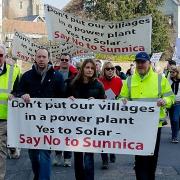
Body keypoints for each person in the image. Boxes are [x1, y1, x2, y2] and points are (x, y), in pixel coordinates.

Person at [119, 52, 174, 180]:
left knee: (151, 159)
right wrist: (122, 101)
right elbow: (121, 98)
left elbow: (170, 97)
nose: (140, 64)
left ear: (149, 63)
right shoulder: (129, 80)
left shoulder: (160, 79)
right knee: (139, 159)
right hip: (136, 126)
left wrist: (164, 101)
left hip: (155, 126)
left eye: (143, 62)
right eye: (138, 62)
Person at [16, 48, 65, 180]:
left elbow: (63, 98)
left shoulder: (57, 76)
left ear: (49, 59)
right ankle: (38, 175)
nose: (41, 59)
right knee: (32, 154)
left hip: (49, 123)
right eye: (39, 57)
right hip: (31, 123)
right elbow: (17, 92)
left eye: (44, 57)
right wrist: (22, 95)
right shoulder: (27, 76)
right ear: (35, 58)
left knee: (44, 153)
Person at [68, 59, 105, 180]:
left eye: (92, 68)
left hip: (91, 126)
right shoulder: (73, 84)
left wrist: (97, 102)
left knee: (89, 156)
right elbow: (64, 101)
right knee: (78, 157)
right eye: (87, 67)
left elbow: (104, 105)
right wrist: (69, 99)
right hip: (76, 125)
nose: (89, 70)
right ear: (82, 68)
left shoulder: (99, 85)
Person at [53, 53, 78, 167]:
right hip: (56, 108)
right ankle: (58, 155)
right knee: (58, 132)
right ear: (59, 60)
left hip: (70, 109)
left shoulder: (75, 75)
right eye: (62, 59)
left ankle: (67, 157)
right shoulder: (53, 73)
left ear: (70, 61)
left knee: (68, 132)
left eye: (66, 60)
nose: (64, 61)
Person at [0, 44, 21, 179]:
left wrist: (16, 95)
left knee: (0, 150)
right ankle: (13, 146)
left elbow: (20, 90)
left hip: (5, 117)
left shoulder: (15, 71)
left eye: (0, 55)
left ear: (5, 57)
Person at [99, 61, 123, 169]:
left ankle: (112, 151)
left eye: (112, 68)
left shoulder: (119, 81)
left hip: (115, 113)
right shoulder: (99, 81)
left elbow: (123, 95)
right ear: (103, 70)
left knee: (112, 135)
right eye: (107, 68)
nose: (110, 70)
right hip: (101, 113)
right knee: (102, 136)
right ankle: (105, 159)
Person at [168, 65, 180, 143]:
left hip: (178, 103)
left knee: (175, 120)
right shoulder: (169, 80)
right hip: (170, 103)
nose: (171, 73)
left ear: (177, 72)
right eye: (170, 72)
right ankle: (174, 135)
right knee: (172, 120)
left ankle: (175, 136)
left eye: (173, 72)